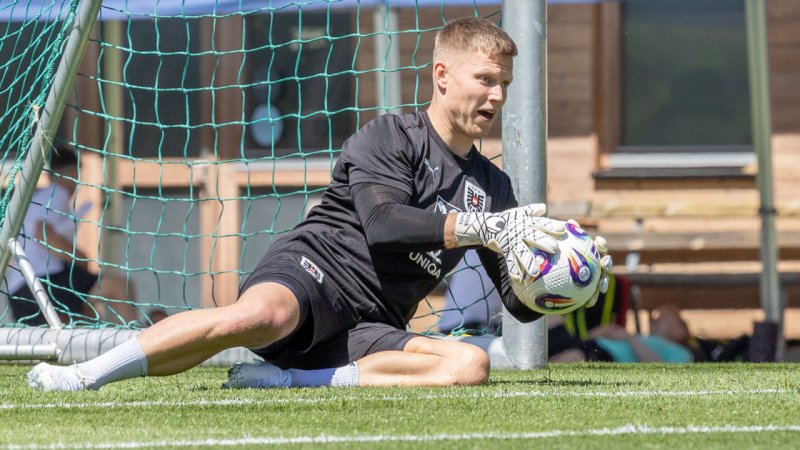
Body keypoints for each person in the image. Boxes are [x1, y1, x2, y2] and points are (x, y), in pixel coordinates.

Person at [27, 17, 610, 391]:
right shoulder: (389, 135)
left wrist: (566, 273)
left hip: (372, 323)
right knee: (257, 318)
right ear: (441, 75)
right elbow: (383, 225)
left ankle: (294, 380)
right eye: (485, 78)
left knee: (470, 366)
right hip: (314, 274)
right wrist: (482, 228)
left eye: (504, 82)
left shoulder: (493, 186)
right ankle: (83, 375)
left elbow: (520, 306)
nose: (498, 95)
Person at [4, 146, 137, 326]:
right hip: (40, 283)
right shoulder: (56, 192)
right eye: (74, 178)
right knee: (118, 285)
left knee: (86, 313)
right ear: (71, 174)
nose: (75, 185)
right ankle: (137, 343)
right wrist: (79, 257)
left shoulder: (39, 198)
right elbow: (41, 233)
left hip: (19, 293)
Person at [549, 306, 693, 363]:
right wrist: (593, 334)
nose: (656, 319)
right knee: (554, 320)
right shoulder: (644, 338)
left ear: (682, 331)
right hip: (591, 344)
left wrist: (628, 337)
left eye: (667, 318)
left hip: (604, 356)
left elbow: (658, 366)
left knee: (576, 356)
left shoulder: (681, 351)